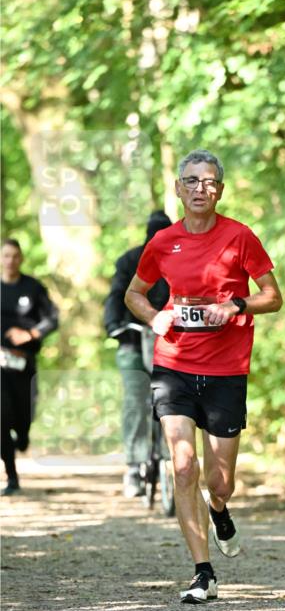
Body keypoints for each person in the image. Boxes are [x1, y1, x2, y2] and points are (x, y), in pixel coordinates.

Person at [124, 149, 283, 603]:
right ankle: (202, 572)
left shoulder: (240, 237)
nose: (200, 189)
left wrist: (235, 305)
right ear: (178, 188)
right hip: (173, 363)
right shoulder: (163, 243)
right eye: (191, 181)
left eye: (209, 182)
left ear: (220, 190)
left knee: (220, 480)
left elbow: (273, 297)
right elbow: (135, 294)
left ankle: (220, 509)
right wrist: (155, 317)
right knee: (182, 463)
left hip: (226, 369)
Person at [104, 210, 171, 497]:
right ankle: (133, 465)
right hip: (132, 341)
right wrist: (113, 325)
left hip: (169, 344)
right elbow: (116, 295)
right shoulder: (130, 261)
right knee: (134, 397)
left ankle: (175, 460)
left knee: (175, 399)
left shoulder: (178, 261)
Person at [1, 238, 59, 496]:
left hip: (24, 364)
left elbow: (52, 318)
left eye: (15, 255)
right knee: (1, 418)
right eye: (5, 255)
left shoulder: (33, 288)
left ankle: (22, 436)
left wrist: (31, 334)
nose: (10, 260)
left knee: (24, 416)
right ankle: (12, 477)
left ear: (21, 258)